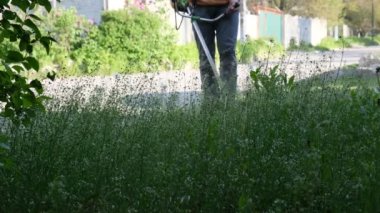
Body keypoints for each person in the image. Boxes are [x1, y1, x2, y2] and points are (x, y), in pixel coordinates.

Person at [190, 0, 240, 100]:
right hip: (199, 7)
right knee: (205, 56)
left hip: (228, 7)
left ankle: (229, 102)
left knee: (228, 54)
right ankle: (211, 103)